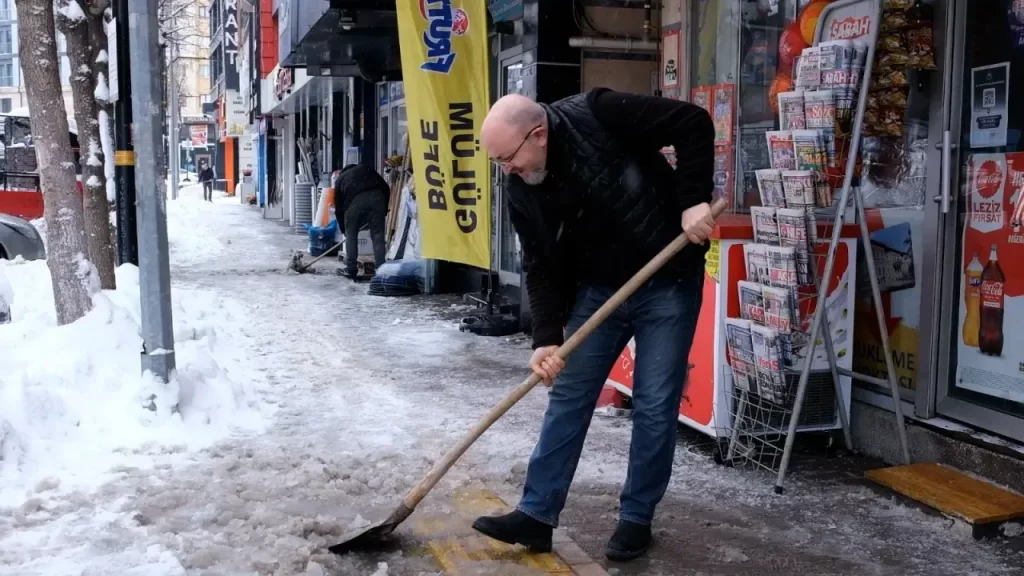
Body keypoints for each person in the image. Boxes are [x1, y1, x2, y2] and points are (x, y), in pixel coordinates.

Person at [472, 90, 717, 562]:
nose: (507, 170)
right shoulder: (521, 185)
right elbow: (539, 263)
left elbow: (692, 122)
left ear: (537, 135)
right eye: (499, 163)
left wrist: (692, 201)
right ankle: (537, 514)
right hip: (600, 290)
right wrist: (546, 337)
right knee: (568, 393)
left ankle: (636, 519)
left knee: (653, 403)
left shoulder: (600, 112)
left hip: (667, 280)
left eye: (509, 158)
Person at [333, 163, 389, 278]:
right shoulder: (367, 168)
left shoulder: (340, 179)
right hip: (378, 196)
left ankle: (351, 269)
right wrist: (383, 210)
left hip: (355, 200)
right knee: (378, 236)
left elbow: (339, 209)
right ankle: (381, 271)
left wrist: (345, 229)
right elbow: (386, 187)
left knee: (351, 236)